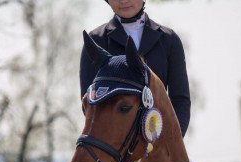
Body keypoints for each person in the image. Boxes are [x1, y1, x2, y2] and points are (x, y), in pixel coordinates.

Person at [80, 0, 191, 137]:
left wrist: (171, 145)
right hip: (114, 148)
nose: (123, 1)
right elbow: (90, 104)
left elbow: (180, 100)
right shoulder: (96, 41)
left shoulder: (169, 40)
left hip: (161, 144)